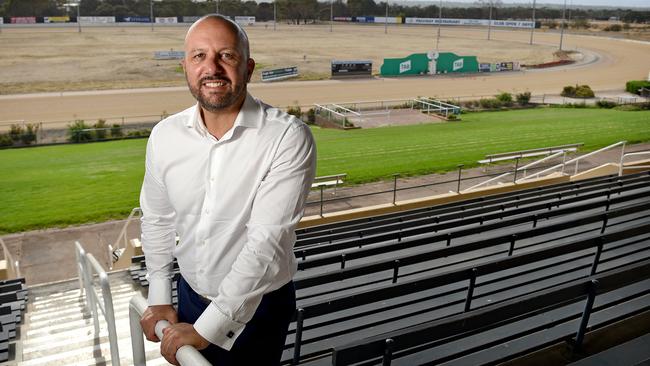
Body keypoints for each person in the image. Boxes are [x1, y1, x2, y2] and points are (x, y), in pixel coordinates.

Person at [138, 14, 316, 365]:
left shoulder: (287, 137)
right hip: (188, 295)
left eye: (227, 55)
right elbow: (157, 219)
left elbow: (267, 242)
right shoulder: (164, 135)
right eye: (199, 56)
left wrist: (208, 328)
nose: (212, 68)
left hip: (260, 308)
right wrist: (159, 294)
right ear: (185, 67)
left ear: (248, 68)